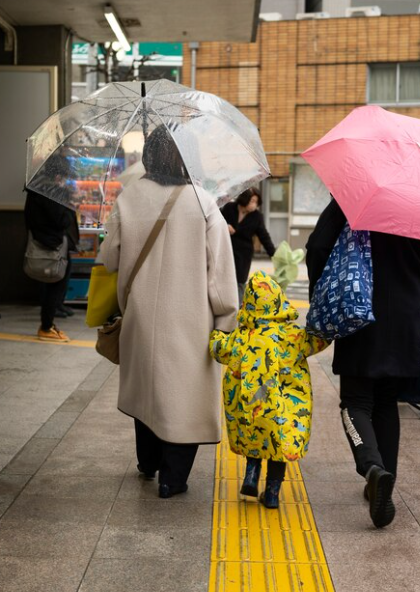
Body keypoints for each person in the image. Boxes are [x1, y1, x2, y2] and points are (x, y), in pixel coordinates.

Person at [96, 126, 238, 498]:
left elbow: (108, 259)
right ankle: (173, 479)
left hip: (140, 316)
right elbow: (220, 271)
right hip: (190, 321)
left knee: (147, 388)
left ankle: (147, 461)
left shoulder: (129, 198)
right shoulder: (203, 202)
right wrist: (225, 318)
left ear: (149, 156)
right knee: (183, 398)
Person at [307, 199, 420, 528]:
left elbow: (317, 247)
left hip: (360, 307)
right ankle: (383, 485)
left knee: (355, 400)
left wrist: (323, 291)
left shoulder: (354, 197)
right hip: (406, 314)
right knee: (385, 401)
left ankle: (372, 469)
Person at [210, 271, 328, 508]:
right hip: (283, 407)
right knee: (278, 446)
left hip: (251, 402)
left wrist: (215, 333)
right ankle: (272, 493)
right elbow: (319, 340)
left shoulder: (241, 337)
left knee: (256, 437)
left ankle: (251, 476)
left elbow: (218, 349)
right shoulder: (293, 336)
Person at [24, 155, 79, 342]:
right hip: (55, 246)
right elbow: (62, 221)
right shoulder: (55, 192)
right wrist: (71, 205)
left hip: (39, 242)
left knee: (48, 286)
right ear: (58, 175)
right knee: (56, 285)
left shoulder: (34, 189)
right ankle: (46, 327)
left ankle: (47, 324)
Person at [221, 189, 276, 303]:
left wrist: (274, 254)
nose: (254, 205)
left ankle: (238, 309)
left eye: (256, 202)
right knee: (224, 279)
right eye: (252, 201)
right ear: (244, 199)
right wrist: (224, 226)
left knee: (240, 281)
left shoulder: (257, 216)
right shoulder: (229, 208)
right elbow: (216, 220)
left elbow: (263, 236)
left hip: (243, 254)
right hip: (226, 250)